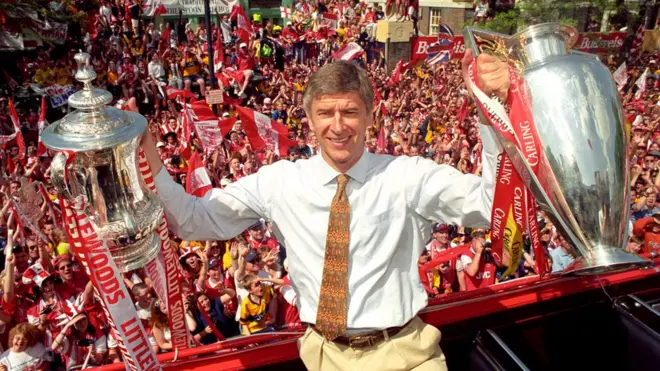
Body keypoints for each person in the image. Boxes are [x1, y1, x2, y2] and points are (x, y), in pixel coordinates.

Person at [142, 50, 508, 370]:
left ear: (370, 115)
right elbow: (192, 220)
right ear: (309, 120)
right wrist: (146, 156)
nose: (337, 126)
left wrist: (491, 110)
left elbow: (491, 205)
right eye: (325, 113)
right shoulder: (279, 183)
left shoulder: (406, 176)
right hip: (323, 358)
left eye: (350, 111)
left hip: (406, 355)